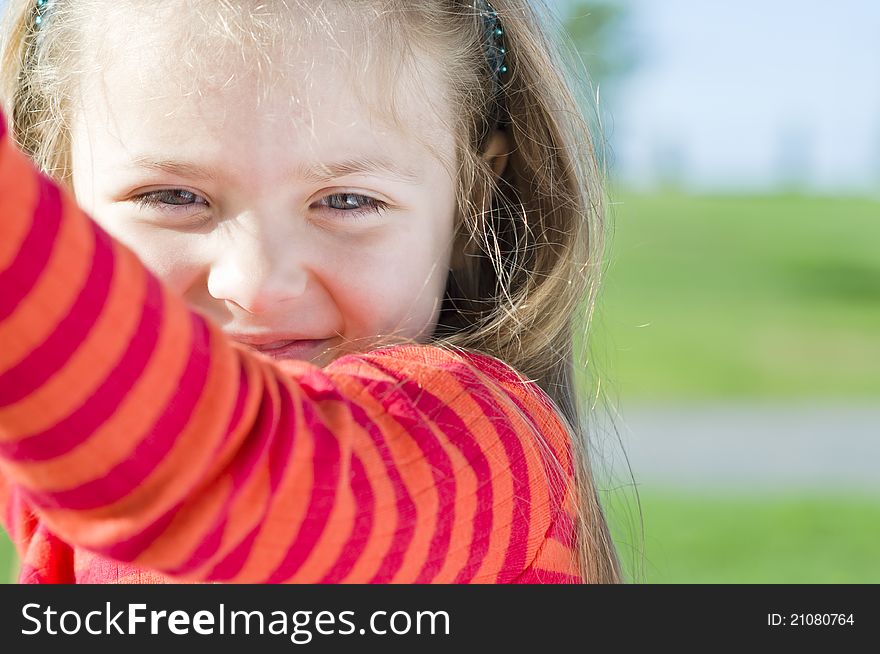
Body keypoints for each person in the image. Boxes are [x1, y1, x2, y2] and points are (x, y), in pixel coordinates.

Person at [0, 0, 620, 583]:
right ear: (57, 192)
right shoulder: (49, 458)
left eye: (347, 200)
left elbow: (228, 482)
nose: (255, 285)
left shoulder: (487, 450)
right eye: (173, 197)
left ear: (468, 207)